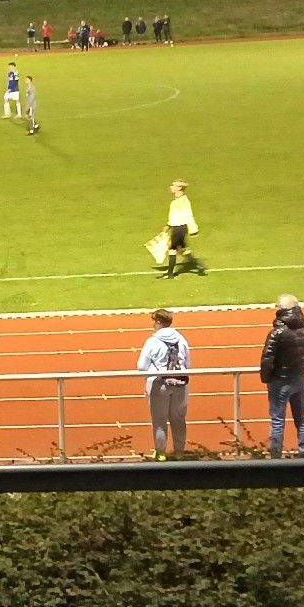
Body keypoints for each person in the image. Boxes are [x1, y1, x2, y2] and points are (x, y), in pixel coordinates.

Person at [260, 294, 304, 457]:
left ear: (282, 309)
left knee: (277, 420)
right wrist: (303, 371)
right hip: (299, 380)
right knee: (301, 419)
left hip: (280, 381)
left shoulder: (277, 333)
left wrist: (267, 378)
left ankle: (276, 455)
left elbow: (267, 359)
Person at [137, 307, 191, 459]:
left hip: (159, 384)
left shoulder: (152, 341)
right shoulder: (182, 339)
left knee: (159, 420)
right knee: (178, 418)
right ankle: (179, 451)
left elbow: (141, 366)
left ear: (159, 322)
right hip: (181, 383)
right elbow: (188, 363)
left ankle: (160, 453)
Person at [160, 180, 206, 277]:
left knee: (172, 249)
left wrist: (194, 229)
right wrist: (168, 226)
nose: (171, 187)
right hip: (178, 228)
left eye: (174, 185)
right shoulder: (178, 200)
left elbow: (188, 216)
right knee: (183, 250)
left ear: (179, 188)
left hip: (179, 228)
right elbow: (174, 216)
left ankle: (170, 273)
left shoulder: (182, 201)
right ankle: (199, 266)